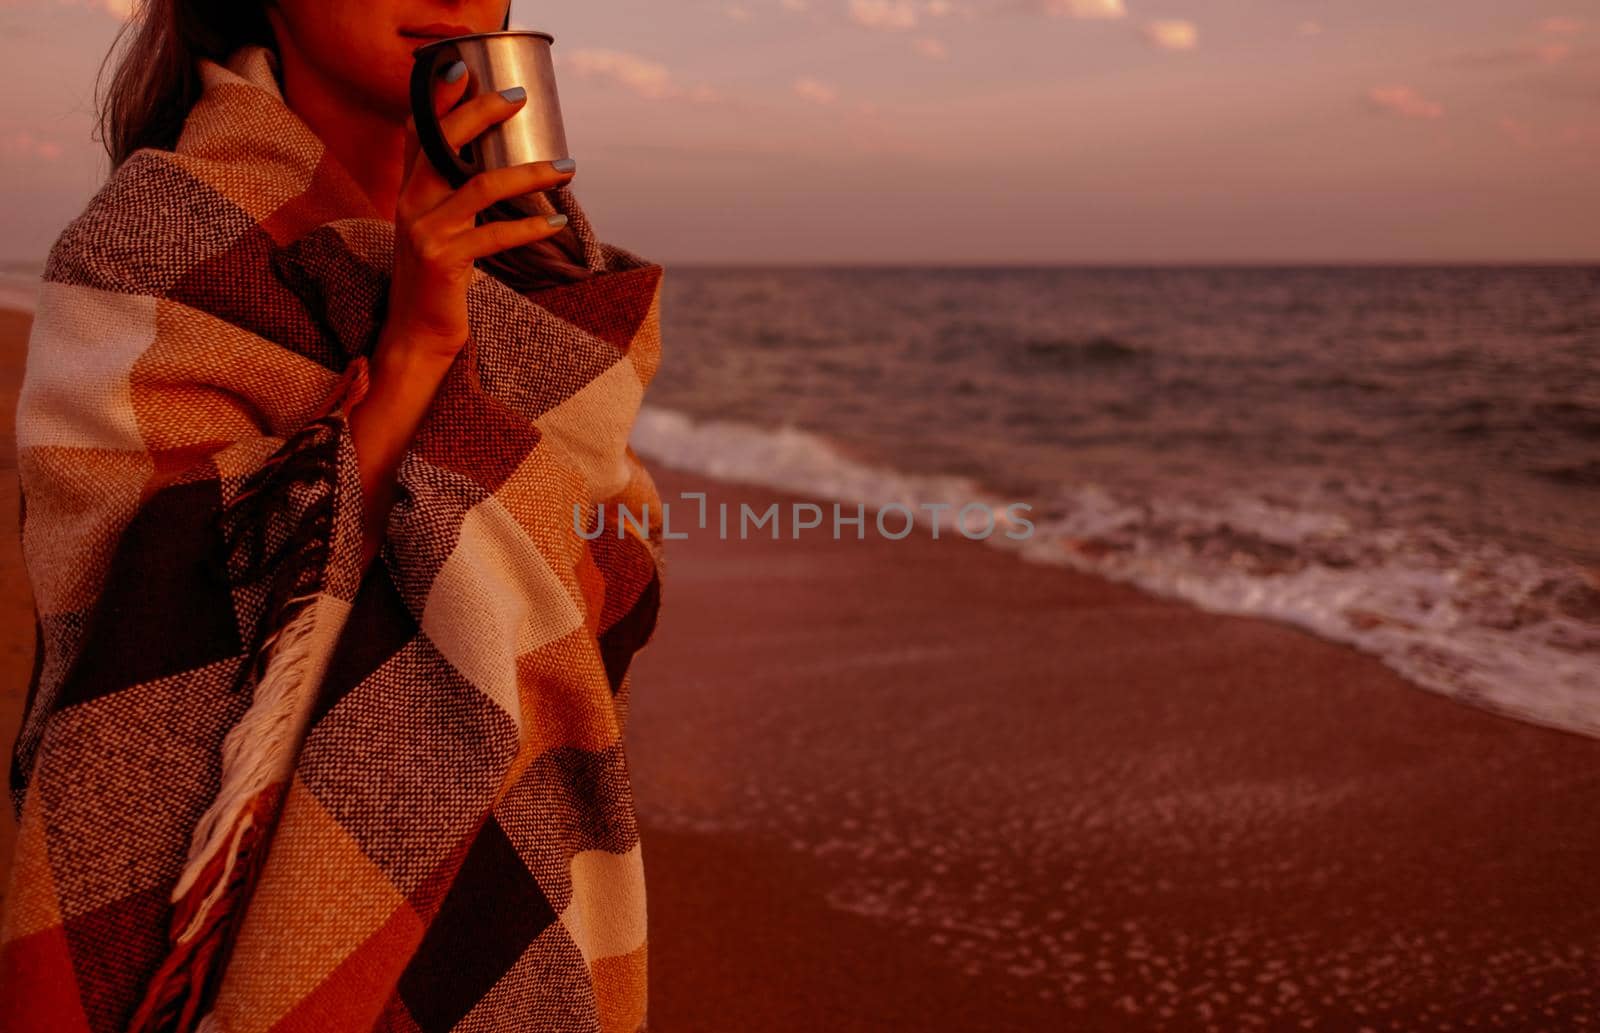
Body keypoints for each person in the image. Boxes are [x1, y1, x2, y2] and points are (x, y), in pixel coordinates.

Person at [1, 3, 666, 1032]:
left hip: (498, 844)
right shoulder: (159, 239)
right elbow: (137, 653)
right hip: (235, 897)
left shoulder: (540, 269)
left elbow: (596, 595)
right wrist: (409, 357)